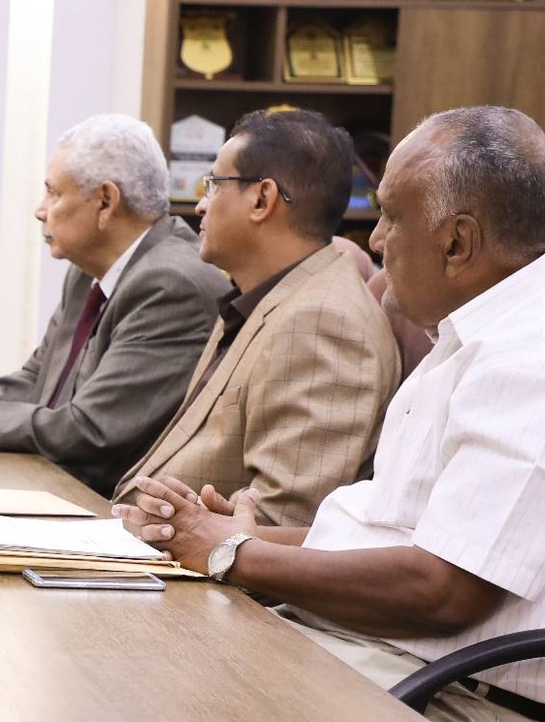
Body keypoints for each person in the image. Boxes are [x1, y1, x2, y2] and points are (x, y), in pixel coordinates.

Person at [118, 106, 545, 722]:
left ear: (457, 242)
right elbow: (389, 536)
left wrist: (233, 553)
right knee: (126, 646)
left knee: (148, 682)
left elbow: (444, 591)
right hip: (387, 659)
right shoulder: (490, 328)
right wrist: (226, 535)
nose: (375, 240)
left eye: (391, 216)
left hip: (451, 695)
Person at [0, 115, 227, 494]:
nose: (40, 209)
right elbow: (37, 383)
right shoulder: (88, 270)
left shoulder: (171, 283)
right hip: (55, 489)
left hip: (110, 511)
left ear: (106, 201)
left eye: (53, 193)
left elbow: (89, 428)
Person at [116, 108, 399, 527]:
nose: (200, 205)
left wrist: (157, 530)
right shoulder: (268, 295)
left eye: (214, 185)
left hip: (183, 564)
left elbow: (279, 522)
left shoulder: (322, 322)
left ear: (262, 199)